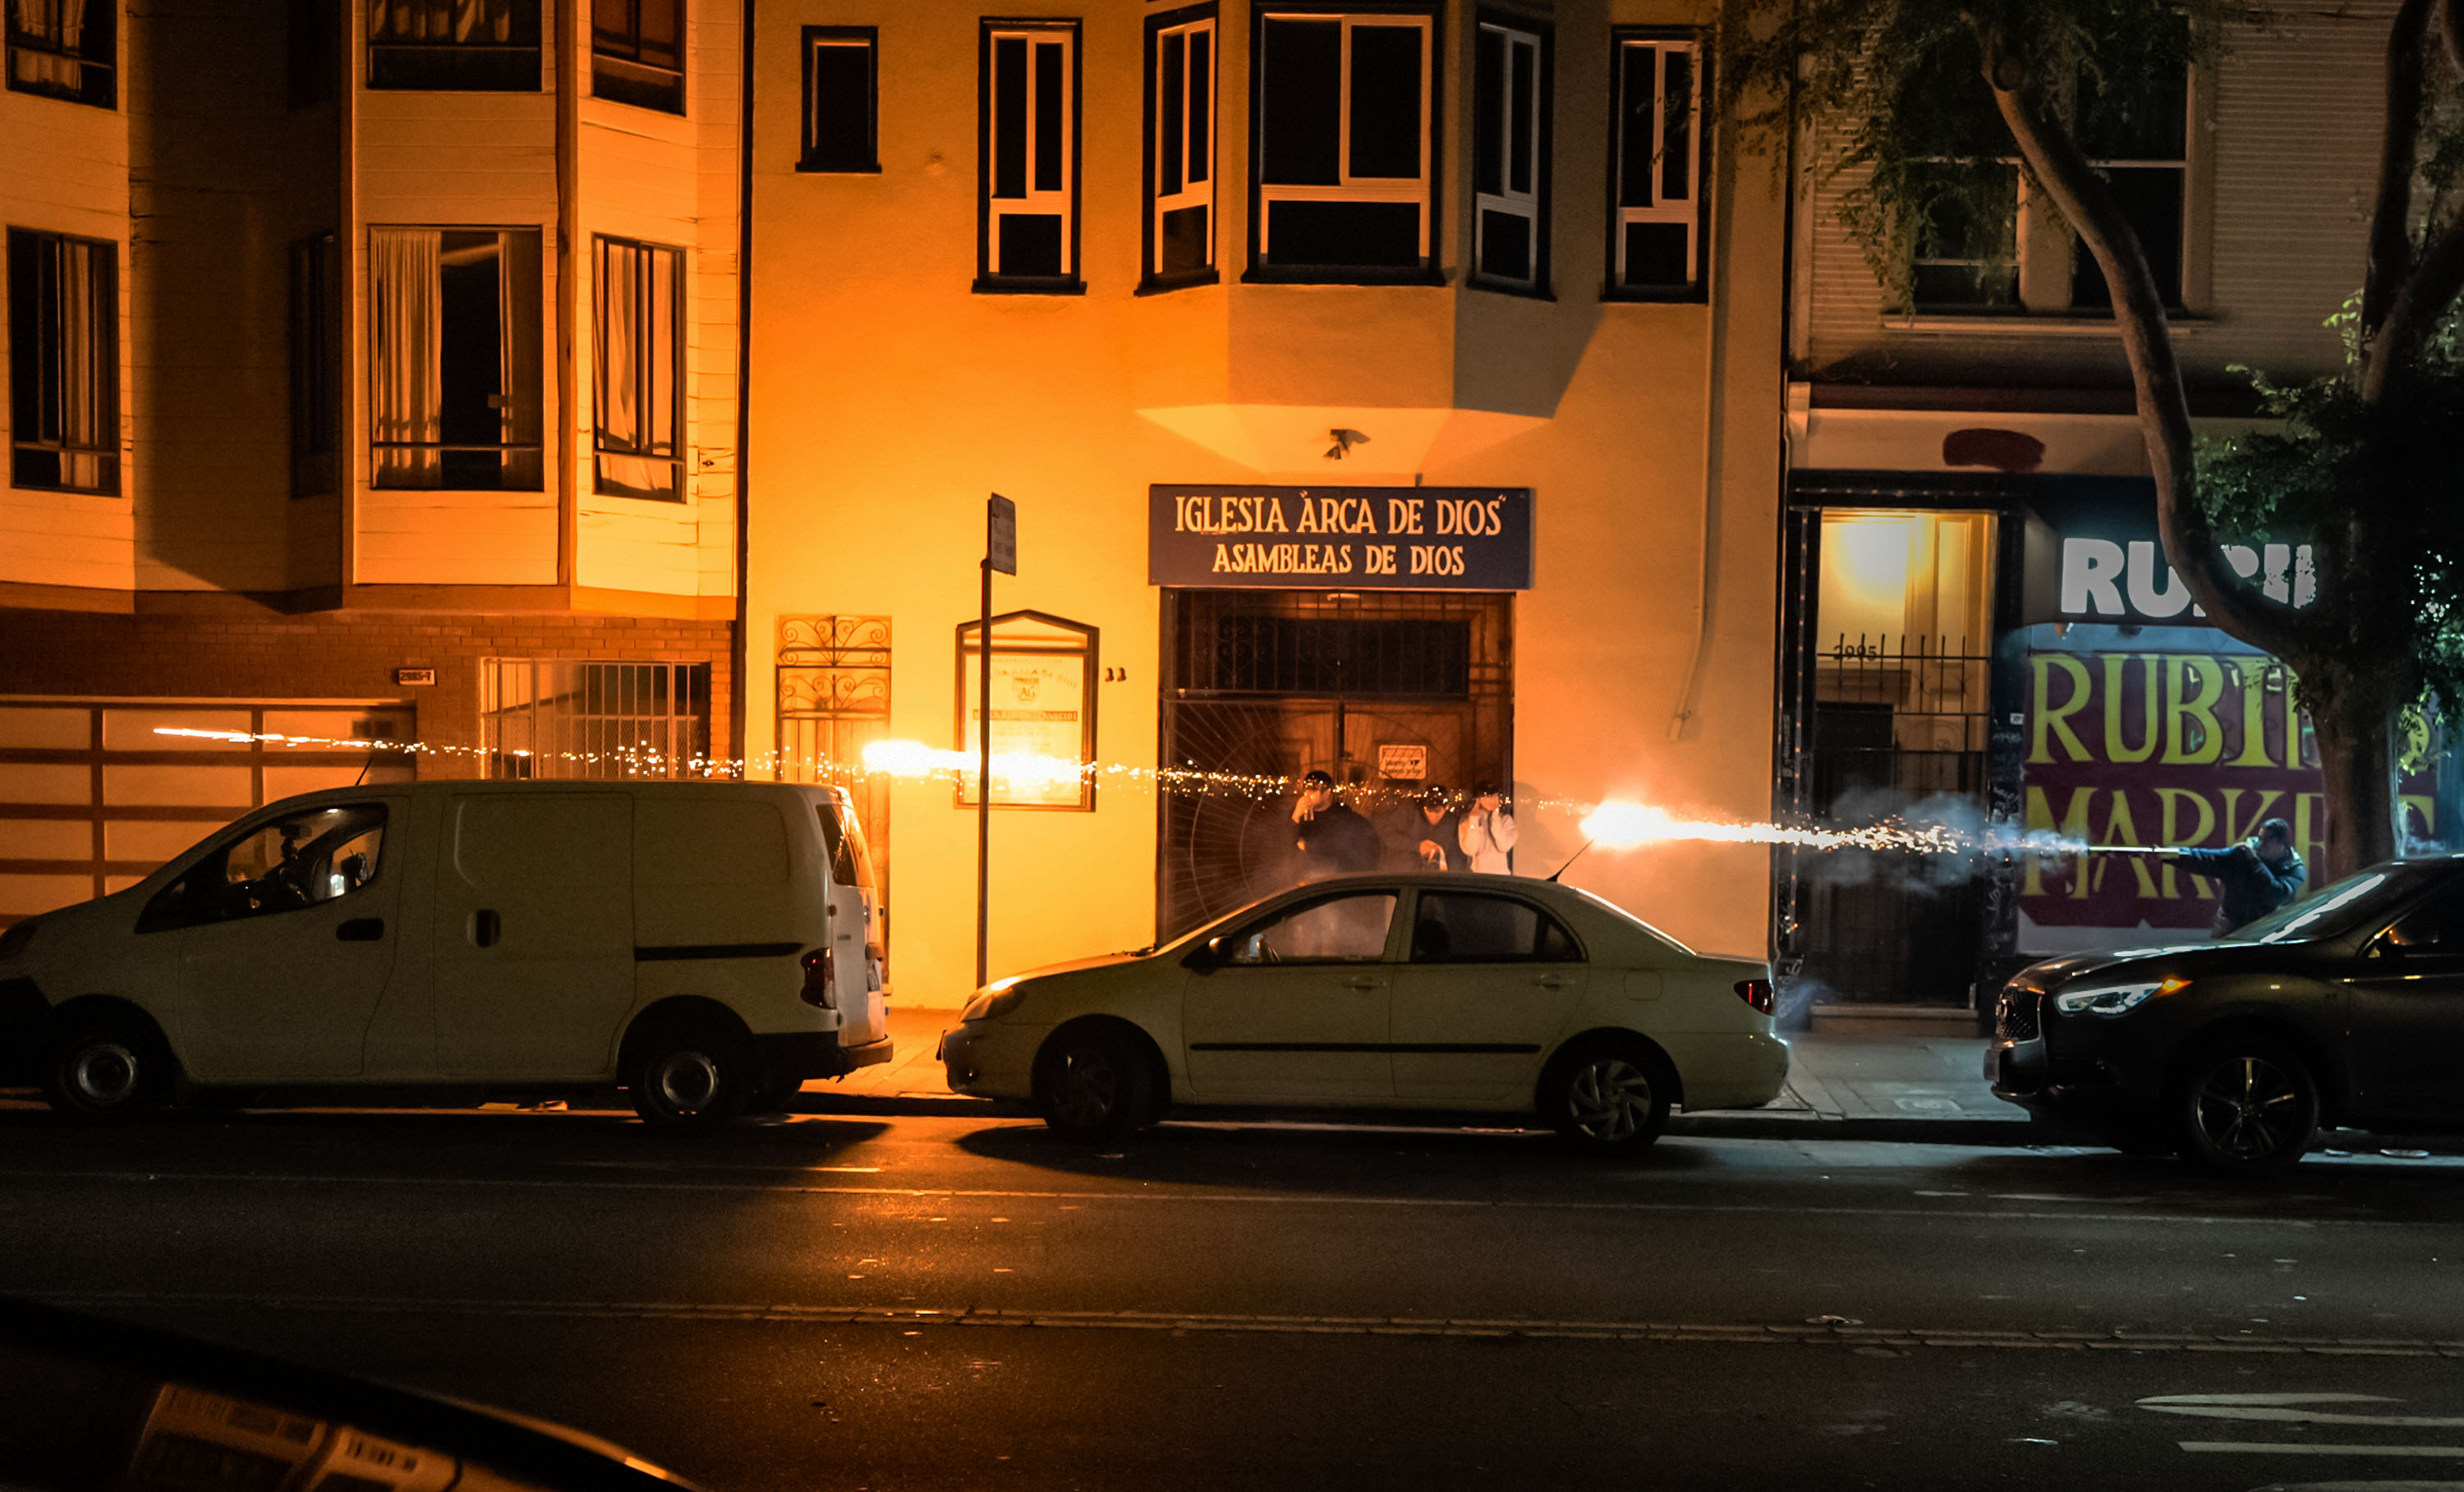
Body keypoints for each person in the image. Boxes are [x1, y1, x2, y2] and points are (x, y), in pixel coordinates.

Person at [2167, 818, 2306, 936]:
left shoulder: (2295, 870)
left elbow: (2274, 895)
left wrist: (2255, 863)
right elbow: (2205, 859)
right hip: (2230, 930)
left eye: (2266, 840)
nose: (2260, 844)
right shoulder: (2243, 856)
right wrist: (2168, 855)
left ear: (2281, 845)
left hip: (2267, 935)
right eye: (2260, 839)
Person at [1290, 769, 1380, 879]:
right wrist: (1295, 818)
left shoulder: (1346, 819)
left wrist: (1308, 848)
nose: (1307, 795)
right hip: (1302, 885)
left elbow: (1347, 850)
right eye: (1306, 790)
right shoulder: (1299, 816)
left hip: (1335, 884)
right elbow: (1282, 848)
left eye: (1313, 791)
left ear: (1327, 793)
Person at [1384, 783, 1467, 871]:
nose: (1433, 816)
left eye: (1437, 811)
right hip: (1408, 877)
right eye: (1429, 810)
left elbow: (1457, 857)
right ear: (1424, 806)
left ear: (1446, 807)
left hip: (1437, 880)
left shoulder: (1452, 824)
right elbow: (1388, 836)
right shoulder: (1409, 814)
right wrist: (1417, 846)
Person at [1458, 780, 1518, 875]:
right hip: (1478, 876)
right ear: (1478, 799)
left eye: (1495, 796)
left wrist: (1495, 819)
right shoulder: (1467, 820)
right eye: (1487, 797)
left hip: (1501, 875)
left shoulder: (1506, 820)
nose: (1493, 800)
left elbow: (1504, 846)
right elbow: (1471, 849)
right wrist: (1474, 820)